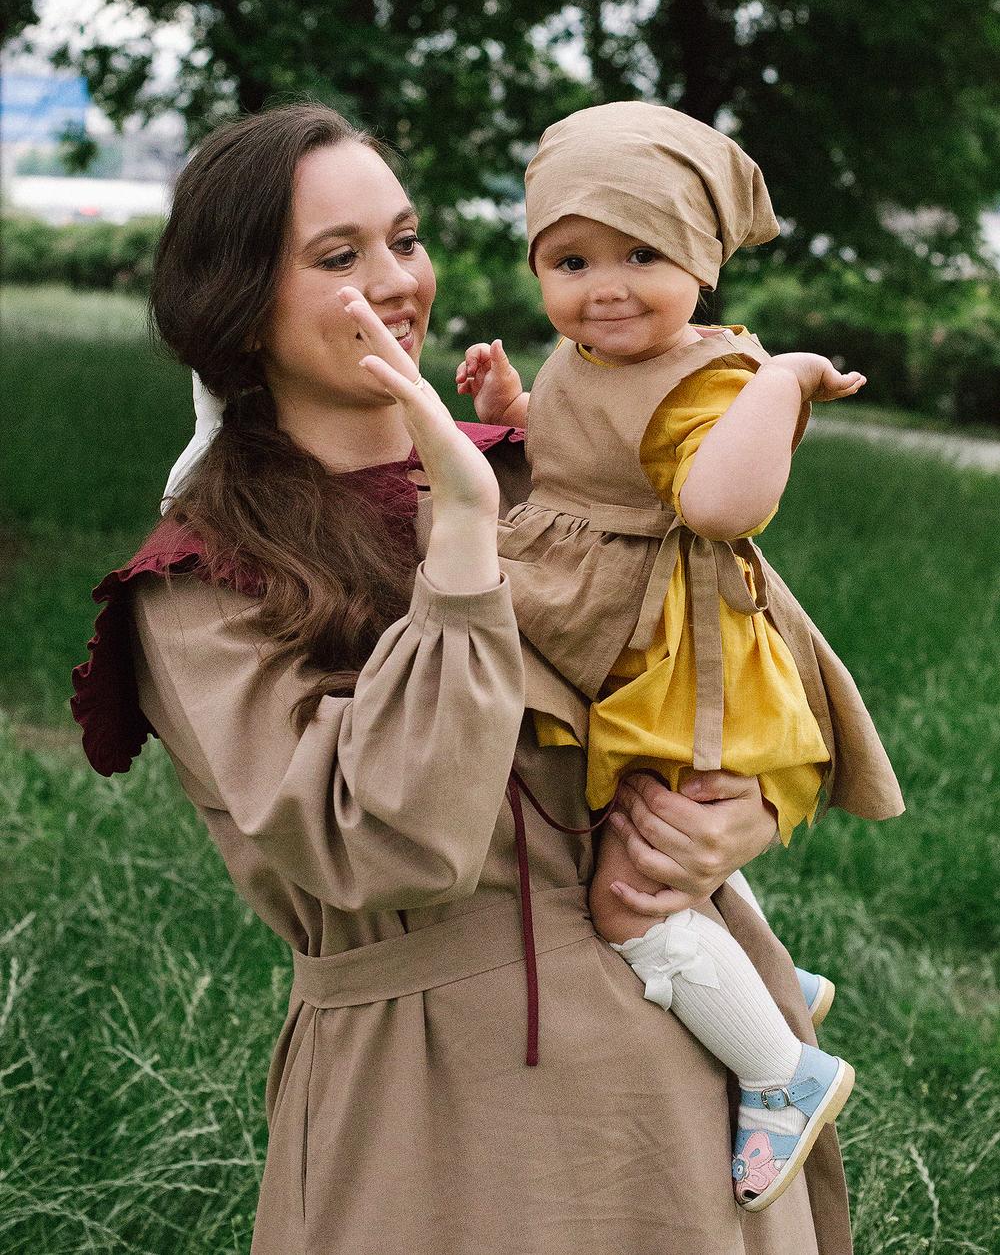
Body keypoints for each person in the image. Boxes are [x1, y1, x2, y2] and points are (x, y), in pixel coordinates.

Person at [72, 102, 873, 1255]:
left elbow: (760, 653)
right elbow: (381, 849)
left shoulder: (566, 470)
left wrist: (744, 805)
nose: (396, 281)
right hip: (445, 1107)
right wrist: (457, 550)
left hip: (691, 1070)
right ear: (238, 309)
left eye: (404, 239)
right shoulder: (202, 582)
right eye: (338, 257)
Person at [455, 101, 904, 1210]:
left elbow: (717, 503)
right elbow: (576, 449)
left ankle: (778, 1067)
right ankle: (753, 970)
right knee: (649, 821)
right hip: (605, 627)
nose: (604, 285)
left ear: (701, 262)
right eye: (571, 258)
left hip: (679, 663)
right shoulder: (592, 346)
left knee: (634, 888)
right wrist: (515, 407)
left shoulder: (712, 377)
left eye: (641, 254)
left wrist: (782, 385)